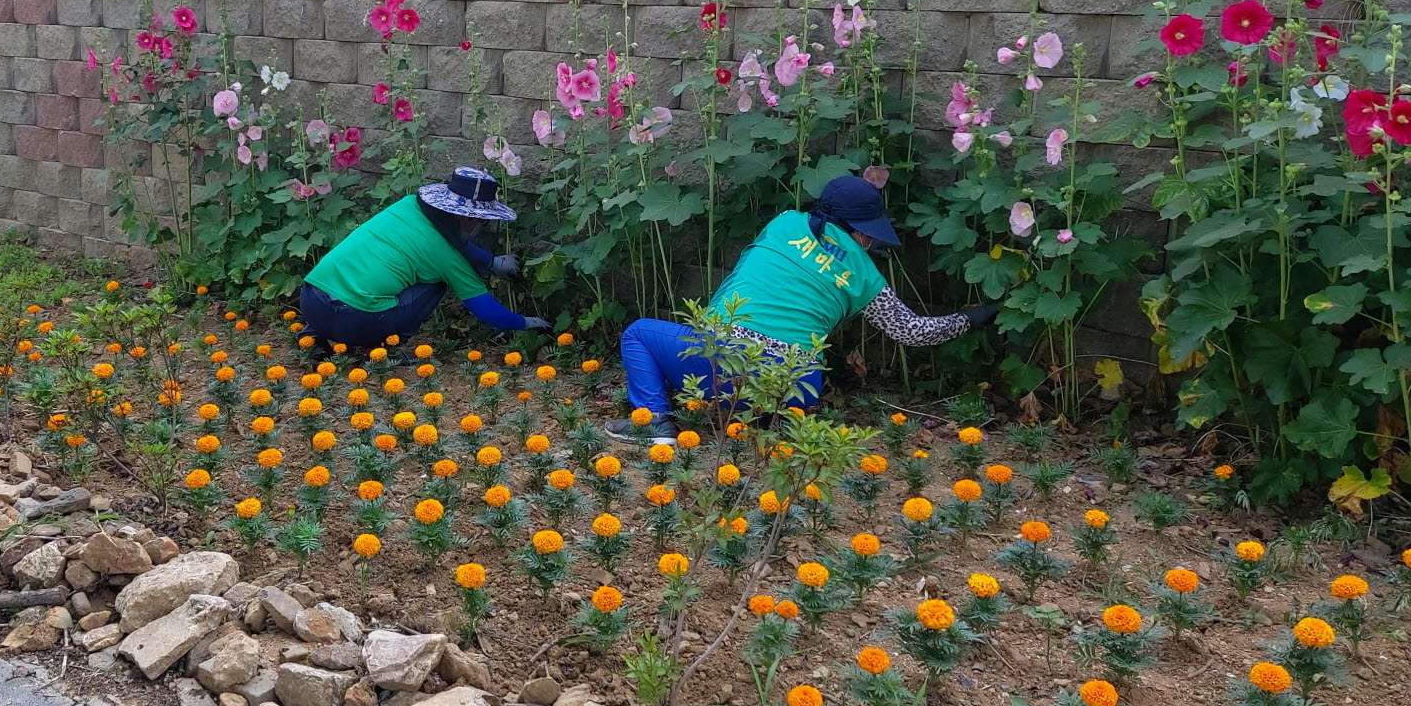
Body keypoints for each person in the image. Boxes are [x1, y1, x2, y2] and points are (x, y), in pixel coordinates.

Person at [607, 174, 997, 446]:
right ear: (860, 230)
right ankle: (766, 422)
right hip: (795, 390)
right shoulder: (866, 275)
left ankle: (655, 423)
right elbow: (913, 332)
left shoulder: (784, 223)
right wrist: (973, 315)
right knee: (799, 358)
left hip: (718, 365)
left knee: (640, 332)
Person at [300, 167, 551, 346]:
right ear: (469, 218)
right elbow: (488, 312)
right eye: (483, 222)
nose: (481, 227)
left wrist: (492, 262)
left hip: (311, 300)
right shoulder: (447, 260)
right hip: (357, 322)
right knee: (437, 283)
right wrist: (527, 323)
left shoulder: (407, 206)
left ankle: (313, 334)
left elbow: (450, 238)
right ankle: (393, 347)